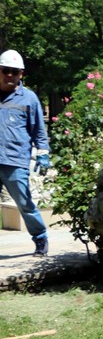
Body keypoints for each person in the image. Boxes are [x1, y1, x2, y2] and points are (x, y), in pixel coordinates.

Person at [0, 50, 51, 257]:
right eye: (5, 71)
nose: (9, 75)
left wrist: (43, 153)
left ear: (21, 74)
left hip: (15, 160)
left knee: (24, 203)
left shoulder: (29, 98)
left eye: (14, 72)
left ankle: (40, 238)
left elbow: (39, 130)